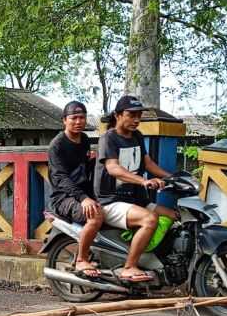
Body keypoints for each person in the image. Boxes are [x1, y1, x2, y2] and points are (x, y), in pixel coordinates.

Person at [93, 95, 178, 283]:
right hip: (111, 201)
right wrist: (143, 181)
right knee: (150, 219)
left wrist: (173, 178)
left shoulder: (137, 136)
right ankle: (129, 267)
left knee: (175, 216)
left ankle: (157, 262)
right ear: (118, 115)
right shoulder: (108, 138)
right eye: (131, 115)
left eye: (139, 115)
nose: (136, 120)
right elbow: (113, 168)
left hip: (135, 200)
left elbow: (148, 164)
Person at [45, 101, 102, 278]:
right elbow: (60, 178)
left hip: (85, 194)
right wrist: (83, 198)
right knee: (95, 215)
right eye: (74, 118)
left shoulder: (84, 139)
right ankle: (81, 259)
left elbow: (85, 168)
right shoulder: (57, 145)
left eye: (82, 118)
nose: (78, 122)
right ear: (64, 120)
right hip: (64, 198)